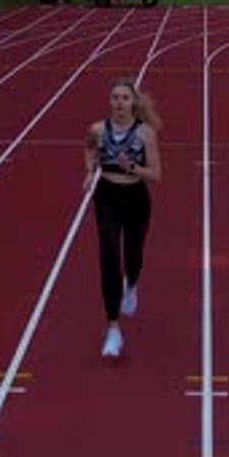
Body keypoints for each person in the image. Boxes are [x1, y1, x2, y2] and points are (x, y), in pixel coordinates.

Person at [83, 78, 162, 357]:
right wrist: (90, 171)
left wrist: (134, 169)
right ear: (110, 101)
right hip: (107, 196)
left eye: (124, 98)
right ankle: (113, 327)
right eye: (115, 97)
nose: (119, 102)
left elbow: (156, 174)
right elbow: (89, 148)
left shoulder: (145, 134)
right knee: (108, 257)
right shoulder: (98, 129)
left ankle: (132, 283)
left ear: (133, 103)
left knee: (133, 254)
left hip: (136, 198)